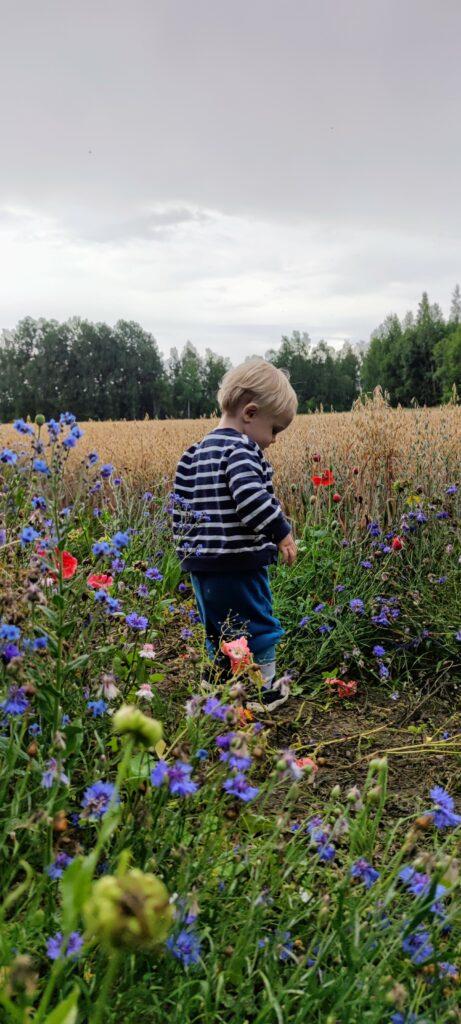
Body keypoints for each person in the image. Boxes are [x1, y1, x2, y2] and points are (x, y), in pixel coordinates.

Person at [171, 357, 298, 710]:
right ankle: (263, 688)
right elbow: (250, 497)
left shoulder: (193, 452)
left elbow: (179, 507)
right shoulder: (241, 449)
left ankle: (220, 682)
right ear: (250, 413)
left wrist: (189, 553)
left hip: (201, 564)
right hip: (239, 561)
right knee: (258, 624)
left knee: (218, 626)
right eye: (274, 430)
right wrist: (281, 532)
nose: (272, 441)